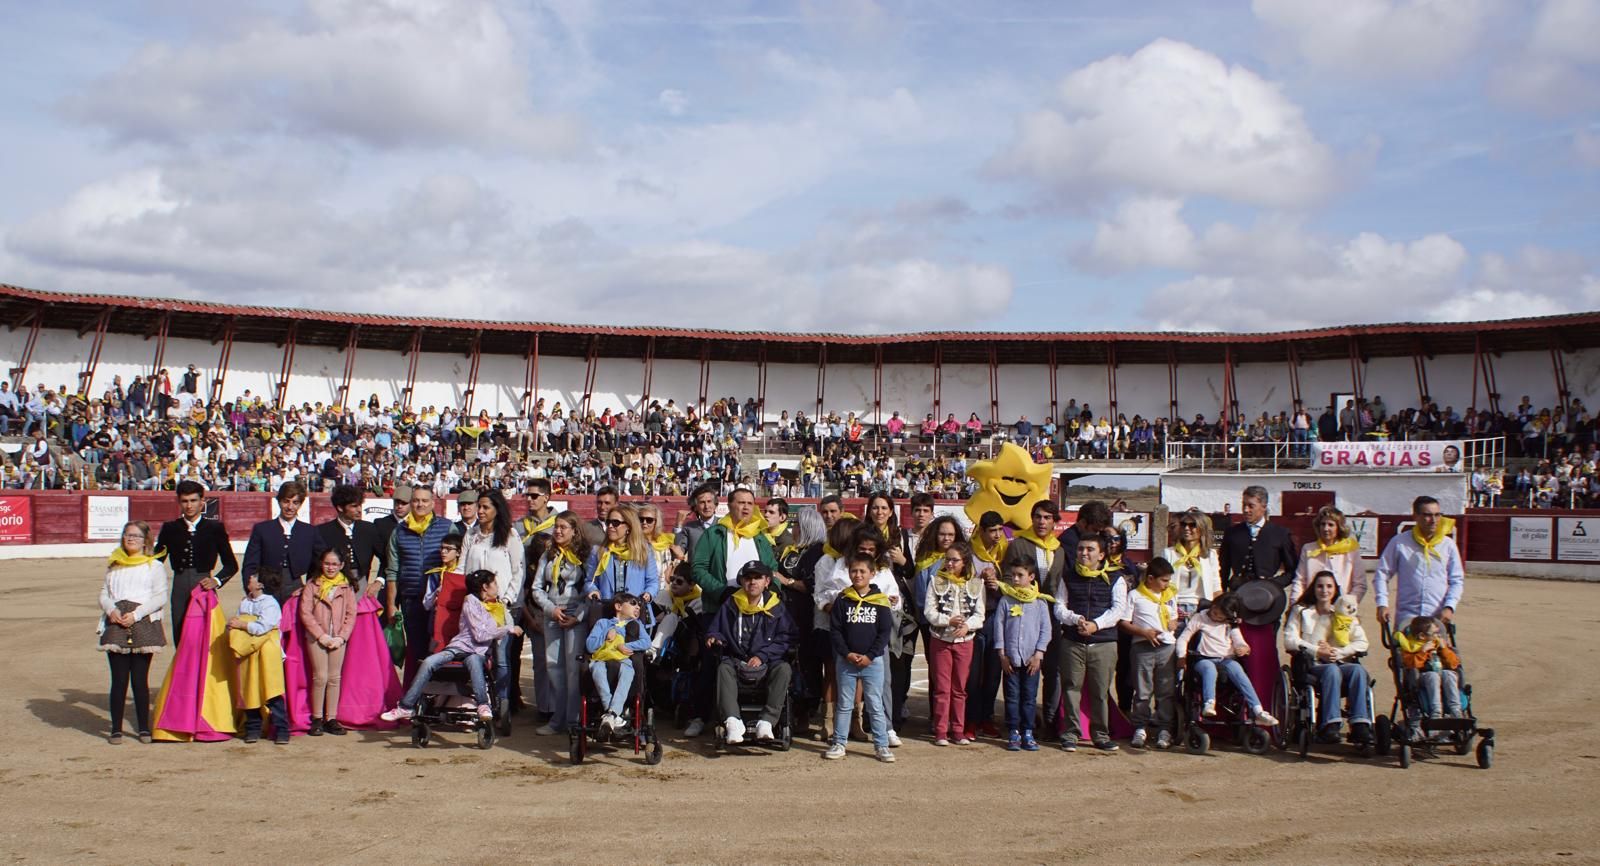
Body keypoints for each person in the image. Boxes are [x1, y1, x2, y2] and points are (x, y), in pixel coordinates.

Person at [383, 570, 523, 724]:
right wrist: (507, 630)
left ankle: (483, 704)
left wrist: (509, 626)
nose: (497, 587)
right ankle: (406, 706)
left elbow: (503, 625)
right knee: (428, 663)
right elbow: (480, 635)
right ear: (485, 587)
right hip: (459, 647)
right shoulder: (470, 601)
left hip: (476, 652)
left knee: (475, 663)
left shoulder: (498, 606)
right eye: (494, 583)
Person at [706, 562, 797, 745]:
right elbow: (716, 629)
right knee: (723, 668)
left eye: (757, 578)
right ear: (742, 581)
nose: (752, 582)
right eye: (748, 578)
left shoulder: (777, 607)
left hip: (768, 662)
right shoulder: (731, 604)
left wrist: (763, 656)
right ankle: (732, 722)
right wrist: (713, 637)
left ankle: (767, 722)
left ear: (767, 581)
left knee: (784, 669)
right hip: (737, 660)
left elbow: (787, 637)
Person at [1055, 533, 1127, 752]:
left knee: (1100, 690)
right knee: (1071, 688)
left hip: (1103, 642)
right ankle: (1071, 733)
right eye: (1080, 549)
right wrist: (1074, 619)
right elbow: (1059, 606)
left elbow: (1118, 609)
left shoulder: (1117, 578)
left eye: (1089, 550)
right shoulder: (1068, 576)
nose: (1084, 553)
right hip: (1072, 640)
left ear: (1102, 554)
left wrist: (1096, 624)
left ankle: (1101, 734)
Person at [98, 521, 169, 744]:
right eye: (128, 535)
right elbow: (104, 594)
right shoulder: (115, 564)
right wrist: (111, 610)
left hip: (142, 621)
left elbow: (160, 596)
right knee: (118, 680)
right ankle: (116, 729)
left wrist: (136, 614)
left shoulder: (154, 566)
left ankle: (143, 729)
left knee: (139, 680)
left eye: (136, 536)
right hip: (117, 621)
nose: (131, 539)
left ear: (145, 541)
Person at [1283, 571, 1372, 744]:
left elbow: (1362, 642)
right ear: (1313, 589)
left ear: (1335, 590)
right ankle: (1329, 725)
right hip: (1312, 664)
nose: (1324, 590)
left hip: (1339, 661)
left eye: (1329, 586)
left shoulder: (1342, 612)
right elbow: (1290, 640)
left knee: (1358, 670)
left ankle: (1360, 724)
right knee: (1332, 671)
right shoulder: (1301, 611)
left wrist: (1340, 652)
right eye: (1320, 586)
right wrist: (1317, 651)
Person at [461, 489, 526, 726]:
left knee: (500, 658)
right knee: (476, 654)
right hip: (476, 606)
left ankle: (502, 702)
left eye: (485, 507)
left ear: (497, 509)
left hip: (503, 606)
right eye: (479, 506)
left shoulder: (509, 535)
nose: (480, 511)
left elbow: (519, 571)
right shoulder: (472, 534)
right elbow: (462, 568)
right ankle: (480, 703)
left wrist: (506, 599)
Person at [824, 554, 894, 762]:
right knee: (844, 703)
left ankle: (881, 745)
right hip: (846, 660)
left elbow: (884, 632)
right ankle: (839, 743)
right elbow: (835, 630)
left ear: (872, 574)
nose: (858, 575)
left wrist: (870, 656)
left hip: (873, 662)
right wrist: (846, 653)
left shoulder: (880, 601)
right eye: (854, 571)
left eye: (863, 571)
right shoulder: (843, 599)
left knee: (874, 703)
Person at [153, 480, 238, 647]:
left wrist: (217, 581)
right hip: (179, 586)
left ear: (202, 502)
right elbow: (156, 561)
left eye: (193, 500)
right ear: (179, 502)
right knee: (181, 634)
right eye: (185, 501)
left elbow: (231, 564)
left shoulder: (215, 528)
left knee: (207, 636)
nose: (189, 505)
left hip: (204, 585)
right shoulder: (170, 528)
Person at [529, 512, 592, 736]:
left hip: (575, 614)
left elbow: (590, 590)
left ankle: (573, 720)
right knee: (554, 667)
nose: (558, 531)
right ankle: (559, 718)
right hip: (553, 613)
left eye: (563, 527)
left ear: (575, 530)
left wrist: (580, 616)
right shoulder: (548, 555)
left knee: (574, 670)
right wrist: (550, 609)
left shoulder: (585, 555)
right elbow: (537, 588)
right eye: (556, 527)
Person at [1174, 594, 1278, 727]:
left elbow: (1239, 641)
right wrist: (1181, 656)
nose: (1216, 617)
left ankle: (1258, 710)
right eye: (1215, 612)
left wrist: (1243, 648)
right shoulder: (1200, 618)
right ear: (1213, 605)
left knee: (1239, 671)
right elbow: (1184, 638)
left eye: (1220, 616)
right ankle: (1209, 703)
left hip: (1225, 659)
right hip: (1203, 659)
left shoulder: (1230, 624)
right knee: (1209, 669)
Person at [383, 486, 452, 685]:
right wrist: (390, 604)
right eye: (415, 501)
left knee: (439, 646)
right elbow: (392, 571)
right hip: (411, 598)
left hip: (441, 600)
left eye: (424, 501)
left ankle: (438, 695)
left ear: (433, 503)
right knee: (417, 648)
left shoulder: (446, 527)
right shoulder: (399, 531)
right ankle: (417, 696)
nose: (419, 504)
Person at [1015, 499, 1068, 738]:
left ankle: (1050, 719)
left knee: (1052, 669)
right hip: (1024, 616)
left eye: (1047, 517)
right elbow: (1010, 579)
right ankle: (1021, 721)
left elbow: (1059, 586)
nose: (1042, 521)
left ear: (1054, 521)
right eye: (1038, 516)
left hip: (1052, 617)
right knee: (1023, 667)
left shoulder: (1059, 550)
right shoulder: (1019, 545)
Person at [923, 541, 983, 746]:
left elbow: (979, 614)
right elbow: (929, 611)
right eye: (947, 559)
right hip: (941, 639)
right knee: (942, 688)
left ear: (964, 562)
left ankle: (957, 729)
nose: (949, 563)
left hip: (965, 640)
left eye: (954, 560)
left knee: (959, 688)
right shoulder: (935, 581)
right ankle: (941, 730)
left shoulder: (976, 584)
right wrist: (947, 621)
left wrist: (967, 626)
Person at [1374, 496, 1464, 630]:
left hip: (1437, 617)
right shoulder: (1399, 542)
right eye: (1427, 515)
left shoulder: (1448, 545)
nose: (1433, 520)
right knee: (1404, 650)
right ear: (1415, 516)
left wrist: (1449, 607)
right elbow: (1382, 574)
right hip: (1407, 618)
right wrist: (1382, 604)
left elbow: (1456, 580)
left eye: (1437, 515)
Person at [1121, 557, 1179, 750]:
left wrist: (1174, 624)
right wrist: (1143, 632)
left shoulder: (1170, 594)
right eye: (1163, 580)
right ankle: (1140, 726)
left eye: (1168, 580)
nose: (1166, 584)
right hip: (1142, 647)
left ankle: (1164, 728)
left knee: (1166, 690)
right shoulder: (1135, 596)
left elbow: (1173, 617)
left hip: (1166, 647)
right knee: (1142, 689)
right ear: (1151, 578)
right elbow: (1124, 622)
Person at [299, 548, 357, 736]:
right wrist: (321, 635)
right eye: (327, 563)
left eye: (334, 564)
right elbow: (305, 613)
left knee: (334, 678)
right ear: (321, 564)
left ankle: (331, 718)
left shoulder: (346, 587)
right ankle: (317, 718)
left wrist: (341, 637)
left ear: (341, 565)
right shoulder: (312, 586)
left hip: (338, 638)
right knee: (320, 677)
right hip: (318, 638)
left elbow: (351, 614)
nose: (330, 567)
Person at [997, 557, 1053, 752]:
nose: (1015, 579)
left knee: (1029, 697)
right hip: (1011, 659)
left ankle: (1028, 731)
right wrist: (1002, 655)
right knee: (1012, 697)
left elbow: (1046, 631)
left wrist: (1038, 655)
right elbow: (999, 629)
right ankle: (1014, 731)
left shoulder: (1039, 603)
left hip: (1031, 660)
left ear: (1031, 577)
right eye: (1013, 575)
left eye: (1020, 575)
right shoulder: (1006, 600)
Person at [690, 487, 776, 610]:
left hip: (756, 610)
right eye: (741, 503)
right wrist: (721, 592)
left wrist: (772, 590)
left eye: (750, 503)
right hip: (720, 609)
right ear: (730, 506)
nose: (746, 507)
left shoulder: (760, 538)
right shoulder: (714, 534)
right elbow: (697, 569)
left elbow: (772, 569)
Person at [228, 570, 288, 745]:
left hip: (268, 653)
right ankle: (253, 729)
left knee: (272, 691)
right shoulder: (245, 601)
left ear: (260, 584)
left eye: (253, 578)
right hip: (249, 651)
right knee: (249, 690)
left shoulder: (270, 603)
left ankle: (281, 730)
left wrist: (241, 624)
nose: (249, 580)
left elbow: (263, 627)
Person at [964, 510, 1008, 741]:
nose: (997, 535)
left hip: (996, 617)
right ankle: (971, 719)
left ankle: (986, 718)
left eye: (1000, 530)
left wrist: (997, 585)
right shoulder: (969, 553)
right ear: (981, 531)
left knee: (993, 673)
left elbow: (1012, 584)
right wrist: (980, 582)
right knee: (973, 675)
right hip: (973, 619)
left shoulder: (1003, 552)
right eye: (992, 531)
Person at [242, 480, 320, 603]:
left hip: (296, 587)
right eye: (286, 501)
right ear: (279, 501)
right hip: (266, 587)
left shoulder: (309, 531)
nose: (290, 507)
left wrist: (311, 586)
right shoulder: (262, 529)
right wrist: (251, 588)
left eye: (295, 503)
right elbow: (250, 563)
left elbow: (319, 563)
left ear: (300, 504)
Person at [585, 592, 653, 731]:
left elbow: (646, 642)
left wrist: (626, 646)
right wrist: (606, 634)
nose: (638, 608)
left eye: (639, 606)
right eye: (633, 604)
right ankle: (613, 714)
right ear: (618, 606)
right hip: (601, 659)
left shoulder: (637, 624)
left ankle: (610, 714)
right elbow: (590, 646)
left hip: (623, 660)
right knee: (597, 670)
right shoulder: (603, 623)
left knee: (628, 672)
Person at [1218, 486, 1299, 590]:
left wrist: (1274, 584)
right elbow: (1223, 568)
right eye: (1244, 505)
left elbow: (1292, 570)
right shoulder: (1232, 533)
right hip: (1238, 592)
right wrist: (1221, 593)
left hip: (1266, 593)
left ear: (1263, 507)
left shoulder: (1280, 534)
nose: (1246, 510)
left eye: (1251, 506)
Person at [1394, 615, 1462, 740]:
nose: (1438, 636)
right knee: (1433, 676)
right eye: (1434, 633)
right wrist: (1423, 652)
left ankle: (1456, 712)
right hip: (1422, 679)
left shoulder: (1439, 645)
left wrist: (1444, 649)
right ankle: (1436, 714)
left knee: (1450, 674)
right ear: (1422, 636)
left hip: (1442, 675)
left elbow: (1454, 664)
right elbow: (1411, 665)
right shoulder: (1411, 647)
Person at [315, 483, 384, 600]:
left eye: (360, 505)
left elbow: (386, 558)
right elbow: (315, 565)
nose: (359, 510)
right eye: (354, 506)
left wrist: (379, 581)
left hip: (361, 584)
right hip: (331, 585)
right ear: (340, 508)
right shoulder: (323, 532)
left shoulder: (368, 529)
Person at [585, 502, 659, 601]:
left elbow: (653, 582)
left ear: (628, 526)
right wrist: (593, 590)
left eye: (616, 523)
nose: (610, 526)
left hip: (635, 609)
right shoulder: (598, 551)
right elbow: (590, 581)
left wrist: (648, 593)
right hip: (607, 610)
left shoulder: (644, 551)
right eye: (608, 522)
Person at [1289, 505, 1365, 602]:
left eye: (1330, 525)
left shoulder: (1351, 549)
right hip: (1312, 607)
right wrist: (1295, 604)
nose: (1325, 529)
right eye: (1322, 524)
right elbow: (1299, 581)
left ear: (1339, 527)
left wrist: (1347, 605)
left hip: (1341, 608)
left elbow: (1360, 584)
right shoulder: (1308, 549)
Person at [1164, 509, 1220, 622]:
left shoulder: (1210, 555)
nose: (1186, 528)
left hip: (1202, 610)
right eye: (1183, 524)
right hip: (1175, 608)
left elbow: (1216, 587)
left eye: (1192, 525)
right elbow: (1161, 584)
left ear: (1201, 528)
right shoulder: (1169, 553)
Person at [674, 483, 719, 562]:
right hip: (695, 573)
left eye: (709, 501)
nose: (706, 506)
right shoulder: (689, 528)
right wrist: (678, 525)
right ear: (695, 507)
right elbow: (678, 553)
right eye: (702, 502)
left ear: (715, 505)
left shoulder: (724, 524)